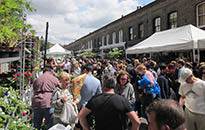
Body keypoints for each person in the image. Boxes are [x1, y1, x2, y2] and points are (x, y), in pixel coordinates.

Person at [32, 65, 60, 130]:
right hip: (48, 102)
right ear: (50, 71)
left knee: (36, 124)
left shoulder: (37, 79)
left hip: (37, 102)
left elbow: (34, 88)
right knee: (50, 125)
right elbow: (60, 87)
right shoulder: (53, 78)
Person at [76, 64, 102, 129]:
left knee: (79, 125)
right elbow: (99, 95)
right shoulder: (97, 81)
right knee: (88, 125)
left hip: (80, 105)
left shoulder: (79, 80)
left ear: (85, 70)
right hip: (91, 107)